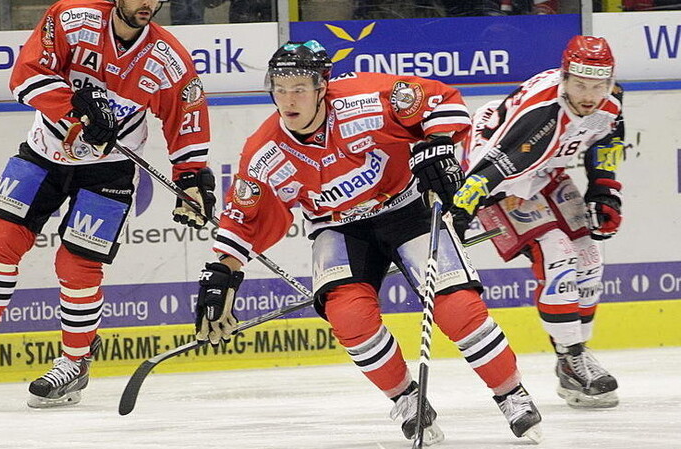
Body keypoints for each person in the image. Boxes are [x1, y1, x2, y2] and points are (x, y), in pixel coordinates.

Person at [192, 40, 542, 444]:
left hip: (406, 207)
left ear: (322, 86)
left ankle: (510, 393)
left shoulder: (367, 98)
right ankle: (408, 400)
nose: (289, 99)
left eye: (300, 87)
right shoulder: (264, 152)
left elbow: (440, 101)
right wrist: (223, 271)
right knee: (349, 317)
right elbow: (247, 218)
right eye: (280, 88)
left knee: (457, 307)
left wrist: (438, 146)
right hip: (338, 227)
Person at [0, 0, 215, 408]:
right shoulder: (71, 17)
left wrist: (190, 176)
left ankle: (74, 362)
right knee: (1, 240)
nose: (147, 4)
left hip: (110, 169)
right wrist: (75, 109)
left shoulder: (168, 60)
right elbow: (26, 74)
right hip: (44, 150)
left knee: (77, 264)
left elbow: (186, 118)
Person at [450, 35, 624, 408]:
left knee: (590, 258)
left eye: (598, 85)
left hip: (543, 169)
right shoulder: (539, 116)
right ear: (564, 78)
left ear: (609, 80)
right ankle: (572, 358)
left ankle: (574, 357)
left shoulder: (610, 101)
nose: (589, 94)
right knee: (558, 254)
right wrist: (463, 209)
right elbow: (487, 169)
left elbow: (605, 138)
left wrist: (605, 190)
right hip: (499, 180)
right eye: (580, 84)